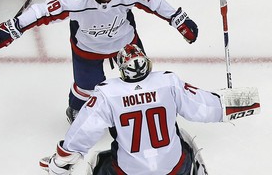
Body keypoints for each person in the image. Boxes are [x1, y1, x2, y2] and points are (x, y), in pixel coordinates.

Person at [0, 0, 198, 123]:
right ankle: (76, 109)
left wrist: (178, 19)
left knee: (141, 81)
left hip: (125, 44)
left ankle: (139, 110)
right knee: (86, 90)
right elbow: (42, 11)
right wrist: (14, 26)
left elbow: (154, 0)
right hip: (88, 49)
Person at [39, 44, 260, 175]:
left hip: (129, 171)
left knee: (98, 162)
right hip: (174, 169)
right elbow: (202, 107)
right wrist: (242, 101)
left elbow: (83, 131)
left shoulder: (107, 92)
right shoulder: (168, 82)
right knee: (184, 143)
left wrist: (60, 161)